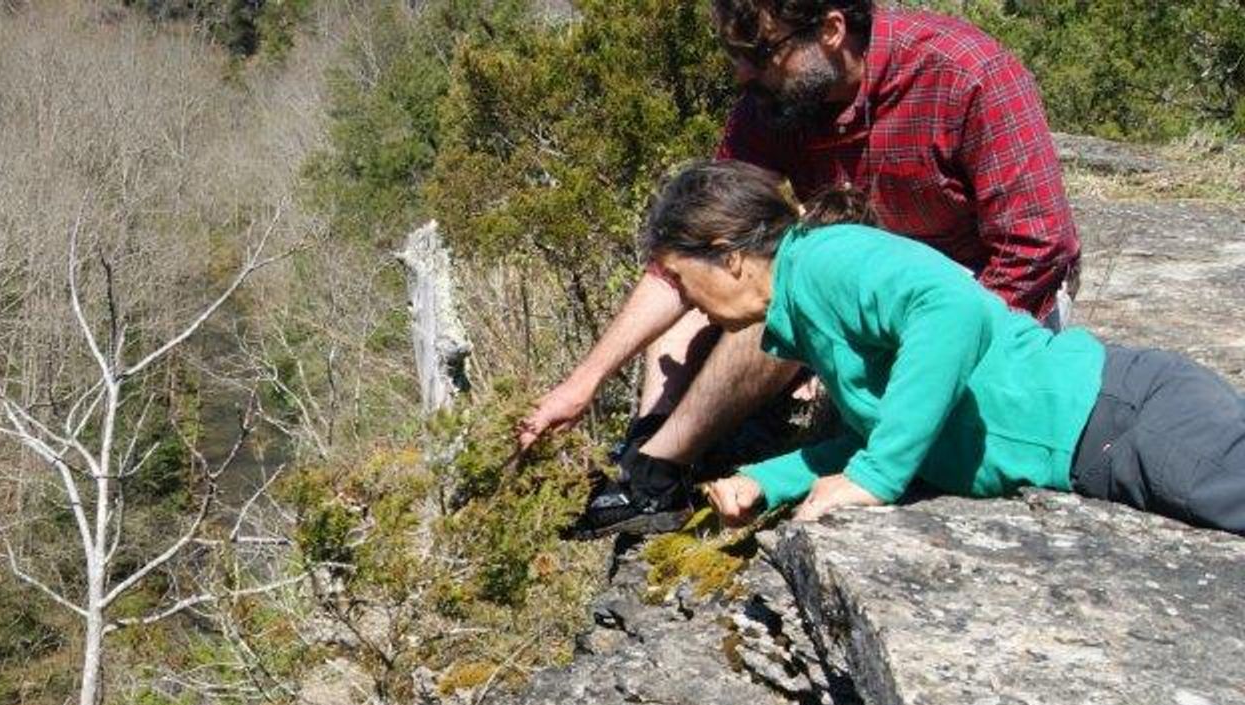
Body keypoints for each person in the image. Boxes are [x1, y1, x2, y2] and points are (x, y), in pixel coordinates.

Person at [516, 0, 1082, 538]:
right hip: (854, 296)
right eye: (733, 54)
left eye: (758, 54)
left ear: (831, 31)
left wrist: (915, 376)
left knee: (783, 295)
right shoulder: (776, 104)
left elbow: (1036, 248)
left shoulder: (964, 74)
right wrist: (583, 382)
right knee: (718, 276)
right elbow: (693, 246)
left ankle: (659, 469)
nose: (742, 74)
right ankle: (647, 460)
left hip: (969, 310)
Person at [627, 160, 1245, 535]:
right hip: (1099, 441)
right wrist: (765, 481)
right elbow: (895, 433)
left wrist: (874, 477)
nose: (684, 300)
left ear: (729, 257)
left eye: (680, 277)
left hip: (1125, 419)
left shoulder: (825, 262)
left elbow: (953, 308)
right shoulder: (805, 307)